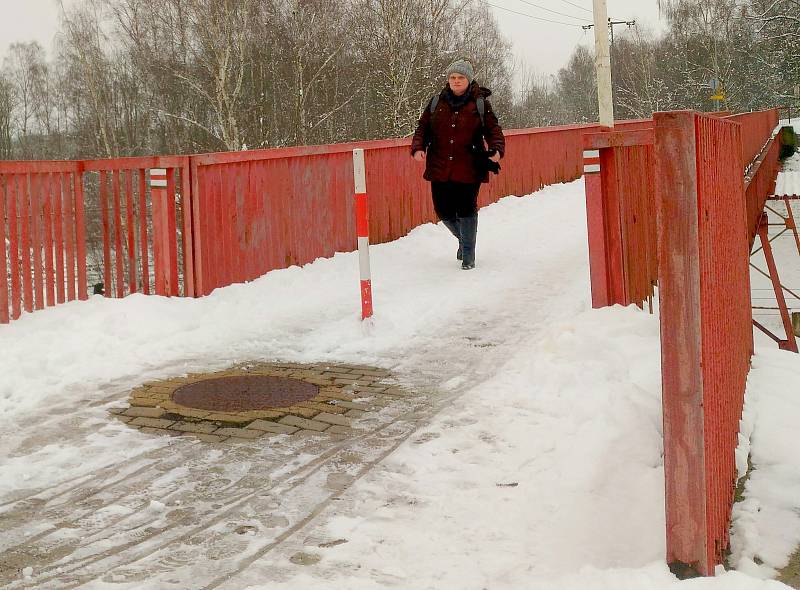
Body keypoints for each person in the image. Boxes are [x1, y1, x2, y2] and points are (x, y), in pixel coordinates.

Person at [411, 59, 505, 270]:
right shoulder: (437, 102)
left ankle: (468, 255)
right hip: (439, 165)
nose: (456, 81)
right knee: (442, 210)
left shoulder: (480, 104)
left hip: (470, 165)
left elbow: (493, 130)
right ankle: (463, 240)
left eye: (460, 77)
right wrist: (418, 147)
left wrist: (497, 150)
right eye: (452, 77)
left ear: (468, 80)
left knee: (465, 208)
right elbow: (422, 127)